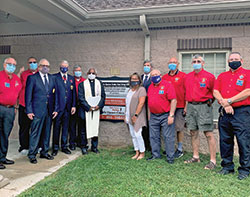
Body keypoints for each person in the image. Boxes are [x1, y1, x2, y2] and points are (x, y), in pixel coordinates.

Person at [213, 52, 250, 180]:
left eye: (236, 59)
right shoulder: (222, 75)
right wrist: (225, 103)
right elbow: (215, 91)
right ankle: (227, 166)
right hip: (225, 112)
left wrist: (230, 101)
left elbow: (248, 91)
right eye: (231, 59)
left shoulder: (247, 74)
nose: (233, 61)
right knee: (225, 140)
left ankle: (245, 169)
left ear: (242, 60)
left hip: (242, 112)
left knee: (243, 141)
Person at [184, 54, 217, 170]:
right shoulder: (187, 77)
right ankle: (195, 156)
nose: (196, 63)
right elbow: (186, 93)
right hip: (191, 106)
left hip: (204, 106)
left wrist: (208, 103)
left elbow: (215, 93)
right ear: (191, 64)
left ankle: (213, 160)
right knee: (193, 132)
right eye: (194, 61)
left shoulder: (209, 76)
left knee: (208, 133)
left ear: (203, 63)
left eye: (198, 61)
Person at [25, 59, 58, 164]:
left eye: (47, 66)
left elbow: (55, 95)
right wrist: (29, 111)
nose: (45, 67)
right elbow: (28, 96)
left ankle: (44, 152)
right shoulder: (32, 78)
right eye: (43, 65)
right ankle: (32, 154)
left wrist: (56, 109)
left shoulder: (52, 78)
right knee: (35, 133)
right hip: (37, 110)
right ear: (39, 67)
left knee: (47, 133)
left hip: (49, 111)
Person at [147, 69, 177, 164]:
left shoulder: (167, 85)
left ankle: (170, 157)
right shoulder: (150, 87)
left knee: (168, 137)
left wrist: (171, 115)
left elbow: (173, 100)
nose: (154, 76)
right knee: (153, 136)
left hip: (165, 115)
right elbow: (149, 102)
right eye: (152, 75)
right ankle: (156, 155)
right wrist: (149, 115)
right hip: (153, 116)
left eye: (156, 74)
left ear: (160, 75)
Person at [0, 57, 22, 169]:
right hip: (1, 108)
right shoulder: (0, 76)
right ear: (4, 65)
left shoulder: (16, 80)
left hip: (10, 110)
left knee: (5, 134)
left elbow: (17, 95)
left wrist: (15, 107)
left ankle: (2, 157)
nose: (12, 66)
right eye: (10, 64)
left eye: (14, 64)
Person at [162, 57, 186, 158]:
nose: (172, 64)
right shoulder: (164, 77)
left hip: (180, 106)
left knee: (179, 128)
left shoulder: (183, 76)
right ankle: (170, 147)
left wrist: (186, 106)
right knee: (168, 128)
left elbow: (187, 92)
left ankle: (179, 149)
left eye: (174, 62)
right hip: (167, 107)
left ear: (178, 64)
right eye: (171, 62)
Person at [78, 68, 106, 154]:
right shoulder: (82, 84)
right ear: (87, 74)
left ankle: (94, 147)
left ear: (96, 74)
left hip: (96, 110)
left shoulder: (99, 83)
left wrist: (99, 106)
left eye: (93, 73)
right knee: (84, 129)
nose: (91, 74)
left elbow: (103, 96)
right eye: (90, 73)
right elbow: (81, 97)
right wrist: (88, 107)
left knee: (95, 128)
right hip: (85, 110)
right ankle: (84, 147)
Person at [52, 60, 76, 156]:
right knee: (56, 128)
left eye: (66, 66)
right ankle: (55, 147)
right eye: (62, 66)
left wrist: (73, 105)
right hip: (58, 109)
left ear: (68, 67)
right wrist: (55, 108)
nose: (64, 68)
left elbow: (73, 93)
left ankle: (64, 146)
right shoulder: (54, 77)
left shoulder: (71, 78)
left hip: (68, 108)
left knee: (65, 128)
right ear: (59, 66)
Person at [18, 57, 38, 154]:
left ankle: (35, 146)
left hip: (36, 105)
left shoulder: (40, 74)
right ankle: (24, 146)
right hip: (24, 104)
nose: (32, 64)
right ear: (28, 64)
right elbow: (17, 86)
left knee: (36, 127)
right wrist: (19, 73)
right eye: (30, 62)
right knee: (24, 126)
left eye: (34, 62)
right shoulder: (24, 74)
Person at [125, 73, 147, 160]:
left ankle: (142, 152)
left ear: (139, 80)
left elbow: (141, 103)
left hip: (138, 116)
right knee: (133, 135)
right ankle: (136, 152)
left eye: (136, 79)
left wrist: (135, 115)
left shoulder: (141, 90)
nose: (134, 81)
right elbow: (127, 104)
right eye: (132, 79)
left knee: (138, 134)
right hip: (129, 116)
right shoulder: (129, 91)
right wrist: (125, 116)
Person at [68, 65, 85, 150]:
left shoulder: (84, 81)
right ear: (74, 72)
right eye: (76, 71)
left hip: (82, 106)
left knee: (81, 125)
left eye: (79, 70)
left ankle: (80, 142)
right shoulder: (71, 80)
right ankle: (72, 143)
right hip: (73, 106)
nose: (78, 72)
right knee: (72, 125)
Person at [141, 60, 152, 151]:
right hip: (141, 104)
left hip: (150, 104)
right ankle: (144, 144)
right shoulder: (140, 78)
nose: (146, 67)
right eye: (145, 65)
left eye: (148, 65)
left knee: (150, 124)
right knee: (142, 125)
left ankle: (150, 145)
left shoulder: (153, 78)